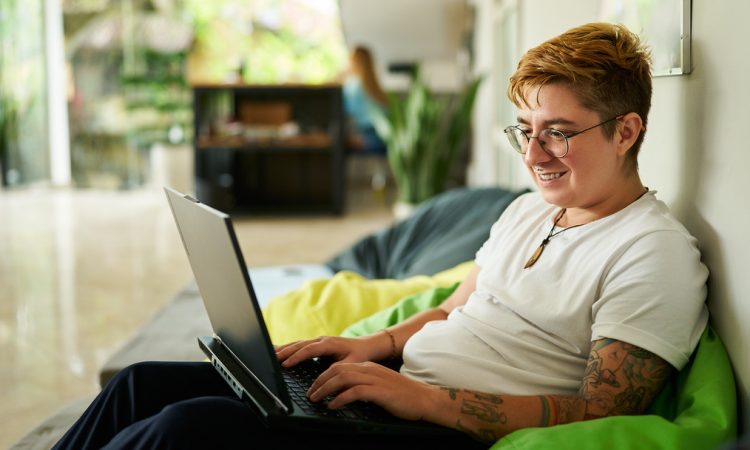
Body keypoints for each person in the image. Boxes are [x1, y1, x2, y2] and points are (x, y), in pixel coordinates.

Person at [53, 22, 708, 449]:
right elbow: (454, 309)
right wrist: (373, 344)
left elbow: (601, 416)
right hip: (394, 393)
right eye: (524, 130)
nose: (534, 154)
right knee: (140, 383)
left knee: (186, 431)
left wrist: (426, 401)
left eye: (558, 132)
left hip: (440, 432)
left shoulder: (652, 254)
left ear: (625, 132)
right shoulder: (529, 211)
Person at [342, 45, 389, 155]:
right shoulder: (377, 89)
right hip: (384, 139)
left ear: (353, 62)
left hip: (365, 137)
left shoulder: (352, 87)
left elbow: (346, 114)